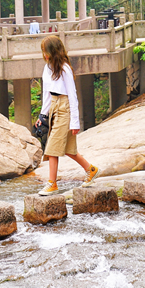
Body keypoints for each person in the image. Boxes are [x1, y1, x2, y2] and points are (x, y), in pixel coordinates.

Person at [35, 35, 101, 195]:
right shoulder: (47, 67)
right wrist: (42, 115)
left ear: (54, 51)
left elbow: (72, 95)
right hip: (54, 106)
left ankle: (52, 183)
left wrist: (75, 123)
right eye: (43, 52)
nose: (45, 55)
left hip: (65, 107)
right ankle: (90, 169)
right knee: (69, 149)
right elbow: (47, 93)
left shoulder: (64, 68)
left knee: (51, 148)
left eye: (47, 51)